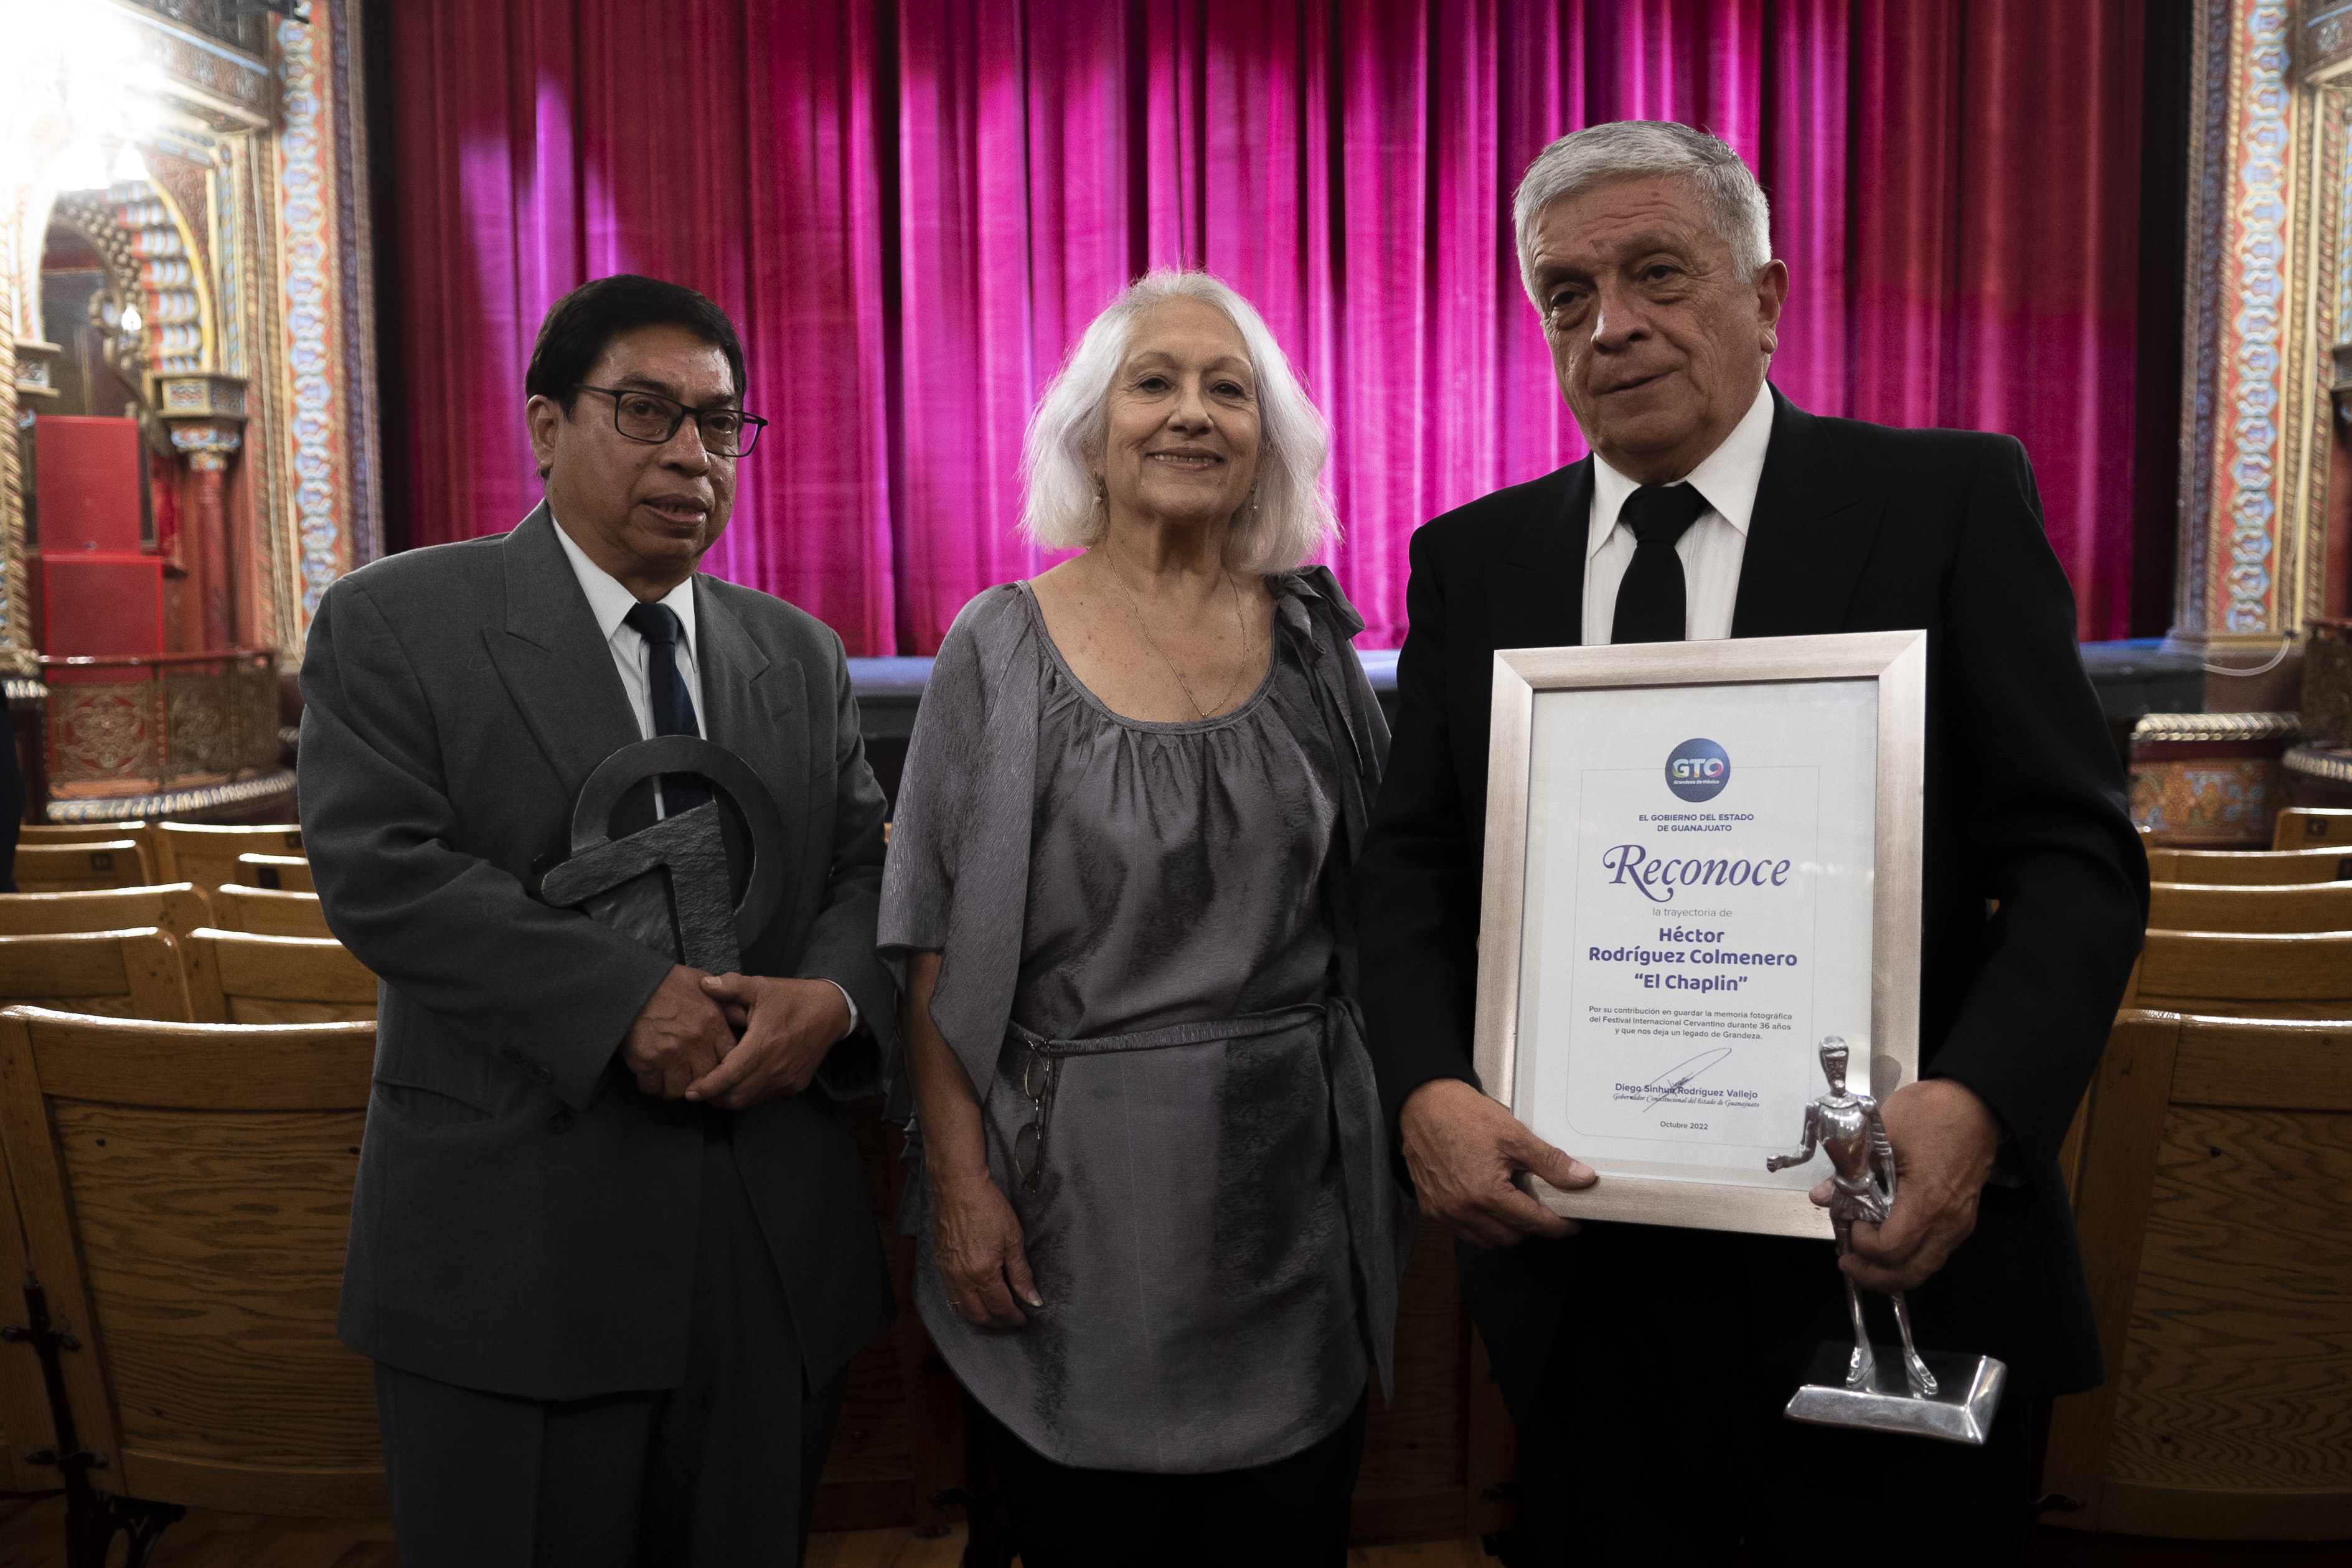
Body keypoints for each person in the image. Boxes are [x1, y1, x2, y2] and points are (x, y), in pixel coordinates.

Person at [1355, 121, 2148, 1565]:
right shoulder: (1473, 559)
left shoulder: (1942, 503)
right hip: (1584, 1277)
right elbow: (1411, 870)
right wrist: (1423, 1088)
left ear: (1764, 298)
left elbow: (2071, 864)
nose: (1610, 325)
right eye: (1565, 294)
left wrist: (1976, 1106)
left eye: (1656, 273)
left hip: (1885, 1267)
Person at [301, 274, 895, 1567]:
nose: (690, 454)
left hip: (762, 1244)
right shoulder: (398, 620)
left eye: (719, 423)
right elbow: (380, 867)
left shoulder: (797, 653)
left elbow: (864, 866)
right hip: (516, 1247)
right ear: (544, 424)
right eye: (644, 411)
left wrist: (835, 999)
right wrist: (622, 999)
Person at [878, 269, 1406, 1568]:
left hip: (1297, 1200)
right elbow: (931, 950)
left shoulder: (1314, 644)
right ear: (1091, 431)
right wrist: (958, 1185)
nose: (1191, 414)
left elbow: (1388, 909)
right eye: (1153, 383)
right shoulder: (997, 645)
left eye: (1229, 389)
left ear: (1266, 441)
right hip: (1075, 1207)